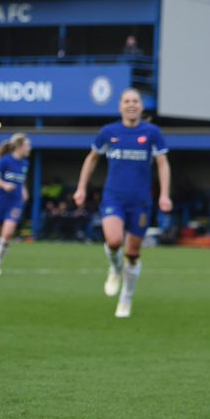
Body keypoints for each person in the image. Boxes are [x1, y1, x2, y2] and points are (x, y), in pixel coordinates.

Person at [73, 88, 172, 319]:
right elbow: (92, 158)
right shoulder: (108, 132)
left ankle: (126, 297)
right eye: (127, 101)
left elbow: (163, 164)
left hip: (140, 202)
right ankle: (114, 269)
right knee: (114, 241)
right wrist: (81, 187)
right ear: (120, 106)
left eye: (135, 101)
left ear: (141, 106)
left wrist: (164, 194)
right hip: (113, 198)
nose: (131, 104)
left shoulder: (152, 133)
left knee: (133, 252)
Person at [0, 134, 31, 276]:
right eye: (28, 145)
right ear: (20, 147)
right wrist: (4, 185)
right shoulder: (5, 161)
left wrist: (24, 192)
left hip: (15, 202)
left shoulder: (25, 164)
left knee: (8, 233)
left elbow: (21, 181)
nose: (30, 148)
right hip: (0, 201)